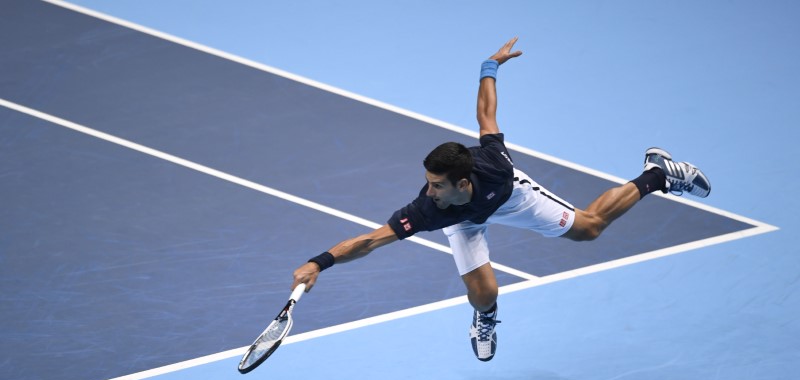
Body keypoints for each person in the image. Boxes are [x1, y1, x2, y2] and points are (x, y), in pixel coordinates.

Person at [292, 37, 711, 362]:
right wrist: (319, 262)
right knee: (484, 292)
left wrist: (489, 68)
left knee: (589, 229)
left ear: (462, 181)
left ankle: (657, 173)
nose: (428, 191)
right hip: (464, 220)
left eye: (437, 184)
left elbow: (487, 116)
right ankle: (486, 319)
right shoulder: (429, 210)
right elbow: (369, 240)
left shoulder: (495, 164)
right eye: (428, 183)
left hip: (510, 198)